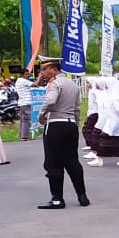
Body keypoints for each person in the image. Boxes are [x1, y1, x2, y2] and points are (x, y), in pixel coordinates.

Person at [35, 61, 88, 209]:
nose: (42, 73)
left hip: (56, 124)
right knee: (72, 161)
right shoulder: (73, 85)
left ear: (54, 69)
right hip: (70, 124)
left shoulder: (55, 84)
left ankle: (57, 199)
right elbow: (77, 107)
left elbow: (50, 100)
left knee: (53, 162)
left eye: (44, 70)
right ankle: (82, 195)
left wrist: (41, 115)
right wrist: (76, 124)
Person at [87, 77, 119, 167]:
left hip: (113, 120)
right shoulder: (104, 95)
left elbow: (118, 110)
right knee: (117, 139)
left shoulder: (112, 97)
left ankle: (99, 158)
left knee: (103, 136)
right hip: (109, 120)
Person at [14, 71, 35, 140]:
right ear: (21, 74)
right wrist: (40, 76)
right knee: (26, 120)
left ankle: (22, 135)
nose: (28, 75)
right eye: (27, 74)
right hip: (26, 102)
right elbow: (35, 84)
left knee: (23, 120)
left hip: (22, 102)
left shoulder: (18, 81)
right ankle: (25, 136)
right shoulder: (23, 81)